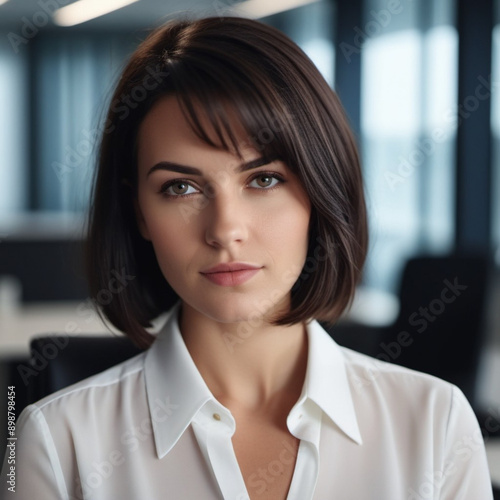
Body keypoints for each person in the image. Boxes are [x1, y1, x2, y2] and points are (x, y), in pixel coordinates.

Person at [1, 15, 493, 500]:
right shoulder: (58, 442)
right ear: (140, 215)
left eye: (263, 179)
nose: (225, 230)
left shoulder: (434, 423)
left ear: (321, 192)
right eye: (181, 187)